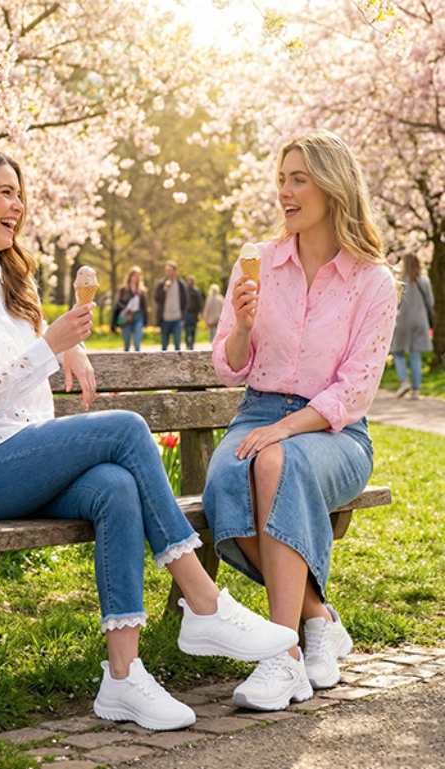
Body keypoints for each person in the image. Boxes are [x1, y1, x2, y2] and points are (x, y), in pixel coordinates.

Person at [0, 147, 298, 732]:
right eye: (5, 192)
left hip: (23, 458)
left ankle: (123, 678)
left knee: (114, 486)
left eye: (19, 194)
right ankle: (203, 600)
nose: (18, 205)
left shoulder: (7, 284)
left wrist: (66, 343)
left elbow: (31, 352)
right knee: (126, 427)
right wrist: (51, 346)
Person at [202, 130, 398, 712]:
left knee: (274, 463)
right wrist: (241, 327)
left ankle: (282, 657)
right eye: (281, 180)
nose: (284, 192)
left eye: (298, 180)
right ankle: (318, 620)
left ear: (333, 188)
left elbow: (355, 390)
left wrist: (286, 429)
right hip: (257, 411)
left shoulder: (372, 281)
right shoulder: (258, 263)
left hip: (335, 432)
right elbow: (229, 367)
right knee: (223, 484)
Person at [390, 253, 434, 400]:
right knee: (416, 355)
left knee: (398, 352)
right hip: (420, 321)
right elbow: (430, 302)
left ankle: (404, 382)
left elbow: (395, 302)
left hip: (403, 321)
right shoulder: (424, 280)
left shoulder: (400, 281)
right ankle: (416, 390)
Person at [111, 265, 148, 351]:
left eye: (138, 276)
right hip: (127, 317)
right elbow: (118, 304)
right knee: (127, 342)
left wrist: (145, 321)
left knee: (137, 343)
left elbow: (144, 307)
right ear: (130, 276)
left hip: (138, 316)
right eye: (135, 276)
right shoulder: (123, 290)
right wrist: (126, 308)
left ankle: (137, 358)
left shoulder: (141, 291)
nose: (136, 278)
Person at [155, 260, 187, 350]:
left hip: (177, 318)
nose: (168, 273)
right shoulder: (161, 284)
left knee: (177, 344)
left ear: (175, 271)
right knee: (164, 346)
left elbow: (185, 301)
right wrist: (164, 290)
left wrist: (183, 316)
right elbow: (157, 299)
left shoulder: (180, 284)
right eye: (166, 271)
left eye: (170, 271)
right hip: (165, 319)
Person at [184, 275, 203, 350]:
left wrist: (198, 313)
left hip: (193, 314)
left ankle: (192, 345)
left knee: (193, 330)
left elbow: (199, 303)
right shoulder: (185, 290)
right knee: (186, 330)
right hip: (186, 313)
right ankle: (187, 344)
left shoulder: (196, 291)